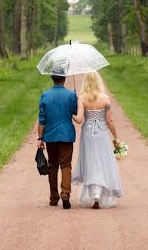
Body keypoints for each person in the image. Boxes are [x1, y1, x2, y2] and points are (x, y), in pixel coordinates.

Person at [71, 71, 123, 208]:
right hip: (101, 134)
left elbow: (79, 120)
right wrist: (116, 138)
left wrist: (71, 112)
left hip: (88, 133)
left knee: (91, 161)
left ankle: (95, 193)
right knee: (101, 161)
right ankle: (98, 193)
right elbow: (110, 121)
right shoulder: (105, 99)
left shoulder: (82, 98)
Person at [37, 65, 78, 209]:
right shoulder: (71, 95)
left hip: (50, 135)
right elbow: (74, 112)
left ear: (52, 78)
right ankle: (65, 193)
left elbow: (42, 119)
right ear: (64, 79)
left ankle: (54, 197)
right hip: (67, 134)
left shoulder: (45, 95)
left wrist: (40, 138)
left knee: (52, 165)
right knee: (66, 165)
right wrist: (75, 98)